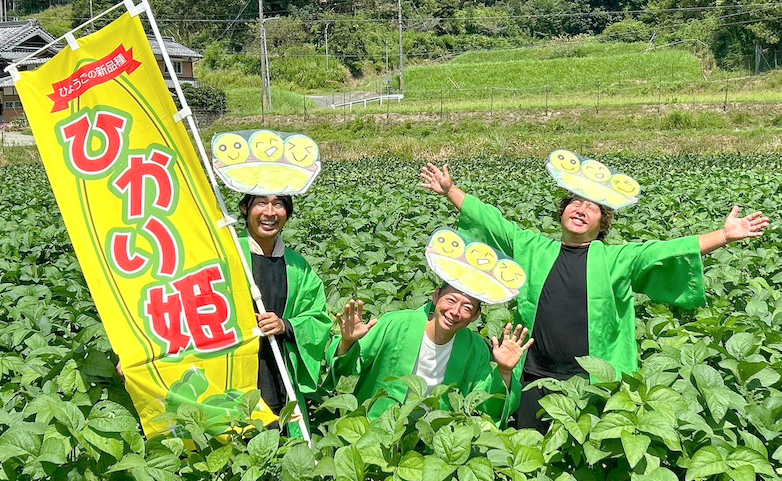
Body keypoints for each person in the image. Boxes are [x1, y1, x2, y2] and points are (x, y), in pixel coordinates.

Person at [420, 162, 769, 432]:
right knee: (529, 452)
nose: (581, 208)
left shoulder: (616, 258)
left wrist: (723, 235)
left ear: (602, 222)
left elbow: (663, 251)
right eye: (575, 202)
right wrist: (451, 190)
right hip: (534, 377)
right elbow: (494, 222)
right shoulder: (533, 249)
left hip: (593, 381)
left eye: (593, 206)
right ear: (563, 212)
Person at [327, 284, 534, 427]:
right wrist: (347, 342)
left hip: (432, 439)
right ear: (436, 296)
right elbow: (345, 368)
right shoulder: (395, 324)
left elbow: (486, 402)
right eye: (451, 300)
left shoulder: (476, 348)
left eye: (467, 307)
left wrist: (504, 372)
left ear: (476, 316)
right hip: (376, 426)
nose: (455, 311)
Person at [237, 193, 331, 433]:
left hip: (282, 375)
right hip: (240, 372)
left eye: (278, 204)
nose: (270, 212)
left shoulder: (297, 266)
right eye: (261, 203)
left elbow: (317, 317)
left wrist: (286, 326)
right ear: (246, 208)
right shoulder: (229, 255)